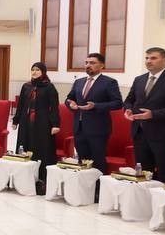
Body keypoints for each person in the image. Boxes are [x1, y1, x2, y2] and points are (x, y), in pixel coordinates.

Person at [123, 46, 165, 182]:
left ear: (164, 60)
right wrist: (128, 109)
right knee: (143, 172)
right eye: (147, 58)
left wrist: (153, 114)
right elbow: (129, 100)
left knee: (164, 172)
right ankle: (145, 196)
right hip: (140, 132)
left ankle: (164, 196)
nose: (148, 61)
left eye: (153, 58)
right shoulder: (139, 79)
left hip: (163, 134)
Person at [65, 52, 123, 175]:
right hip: (79, 128)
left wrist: (96, 106)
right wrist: (71, 104)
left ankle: (98, 186)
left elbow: (118, 103)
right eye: (86, 63)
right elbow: (69, 99)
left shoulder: (109, 82)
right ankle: (85, 185)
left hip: (98, 129)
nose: (88, 65)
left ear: (101, 65)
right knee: (82, 161)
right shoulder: (79, 82)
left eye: (92, 63)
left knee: (98, 162)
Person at [12, 63, 61, 194]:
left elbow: (54, 107)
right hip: (26, 122)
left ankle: (41, 180)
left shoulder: (49, 87)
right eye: (32, 69)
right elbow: (21, 105)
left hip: (42, 123)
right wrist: (16, 120)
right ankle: (23, 178)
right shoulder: (26, 86)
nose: (34, 72)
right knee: (25, 146)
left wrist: (56, 124)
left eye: (37, 70)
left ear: (43, 72)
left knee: (40, 149)